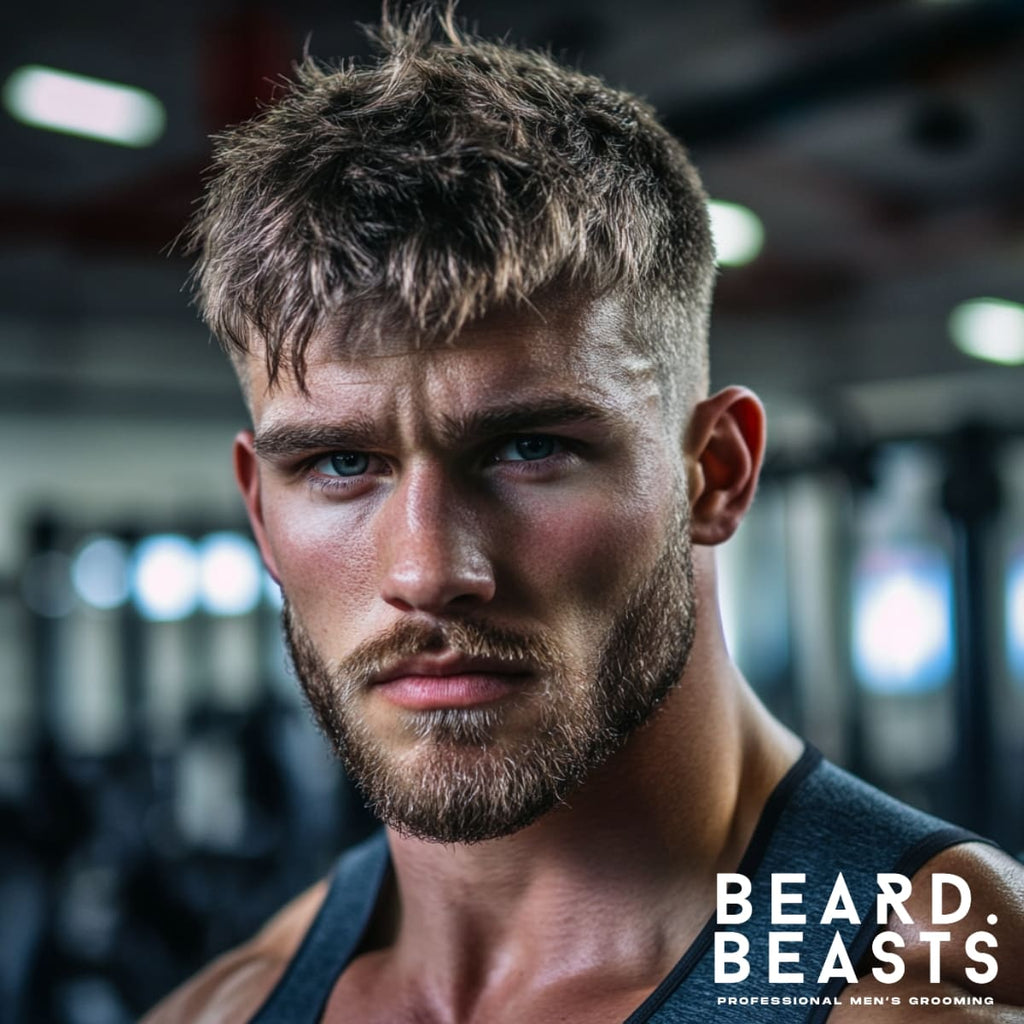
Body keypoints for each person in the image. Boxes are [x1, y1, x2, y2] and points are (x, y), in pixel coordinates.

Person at [145, 7, 1024, 1022]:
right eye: (342, 463)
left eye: (527, 449)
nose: (429, 569)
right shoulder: (233, 1001)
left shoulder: (930, 992)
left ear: (716, 472)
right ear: (260, 514)